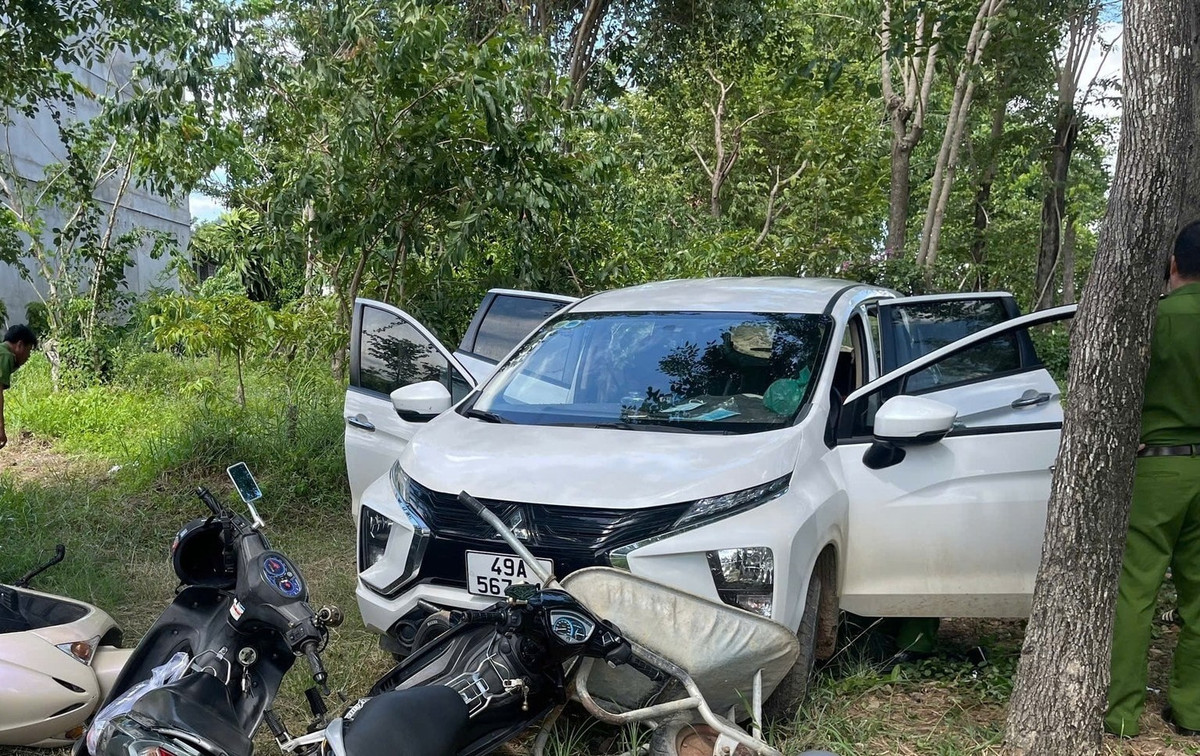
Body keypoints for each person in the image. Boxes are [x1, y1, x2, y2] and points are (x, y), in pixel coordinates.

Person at [1106, 220, 1200, 737]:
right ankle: (1191, 712)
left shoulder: (1152, 321)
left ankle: (1120, 715)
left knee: (1136, 592)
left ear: (1172, 265)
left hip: (1158, 469)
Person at [0, 324, 37, 450]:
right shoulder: (6, 356)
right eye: (29, 350)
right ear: (20, 345)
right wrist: (0, 426)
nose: (28, 356)